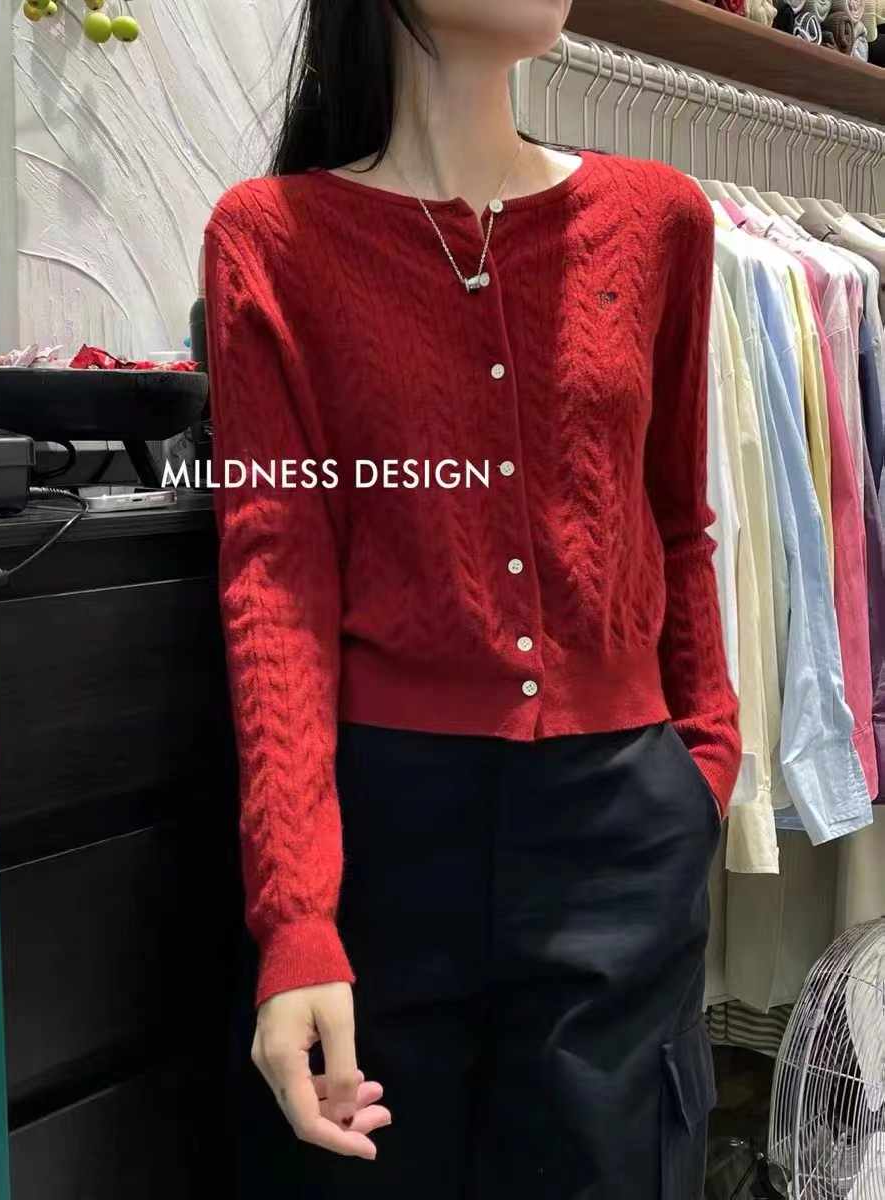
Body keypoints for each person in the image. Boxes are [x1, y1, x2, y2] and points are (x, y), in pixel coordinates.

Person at [203, 1, 742, 1196]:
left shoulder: (659, 219)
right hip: (386, 846)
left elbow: (677, 518)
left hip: (623, 825)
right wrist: (297, 919)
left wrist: (701, 766)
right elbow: (275, 580)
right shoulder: (273, 236)